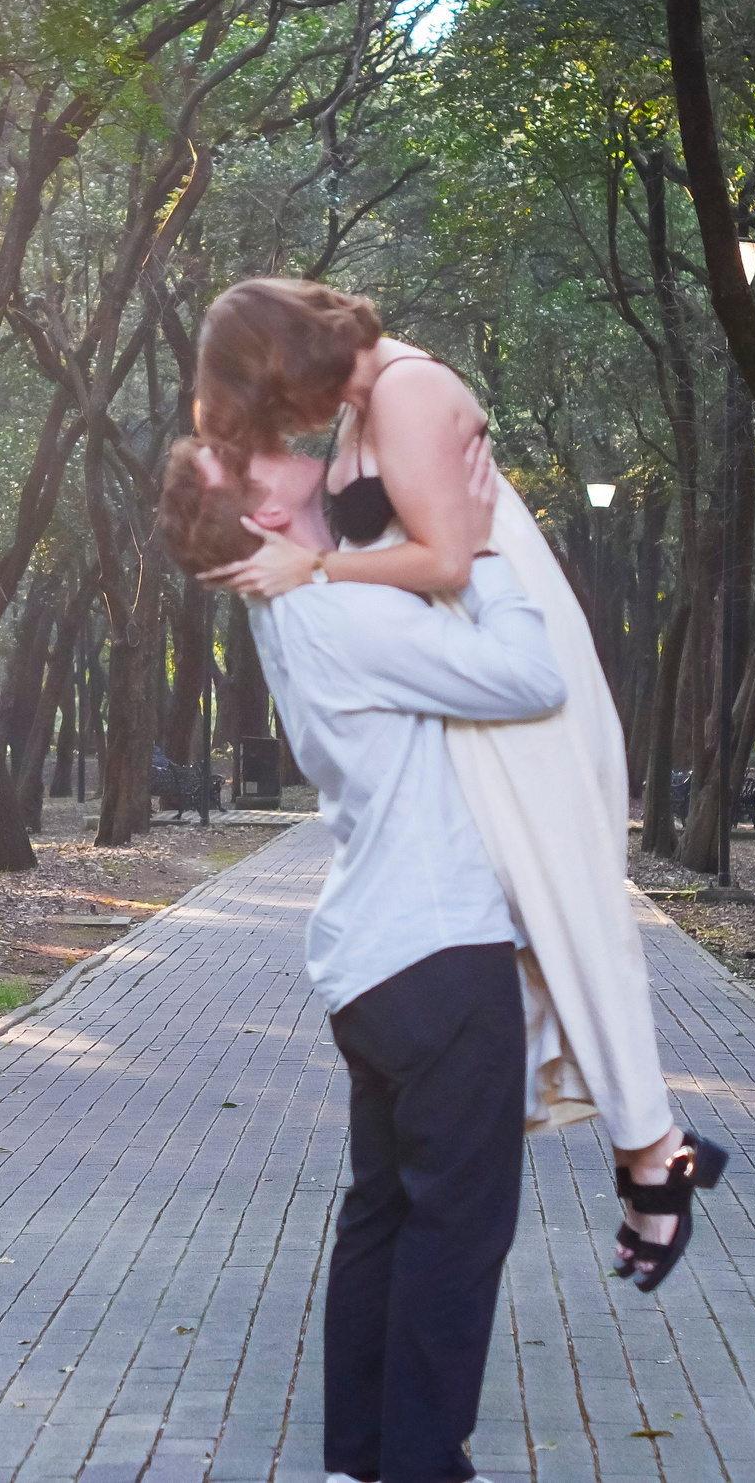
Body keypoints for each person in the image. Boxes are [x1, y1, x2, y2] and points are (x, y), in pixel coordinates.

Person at [191, 276, 722, 1289]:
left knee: (568, 915)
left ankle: (656, 1154)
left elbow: (447, 559)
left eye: (263, 393)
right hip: (474, 685)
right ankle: (649, 1155)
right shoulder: (364, 407)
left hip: (525, 687)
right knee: (530, 931)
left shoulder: (407, 387)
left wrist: (308, 574)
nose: (280, 424)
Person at [157, 431, 555, 1483]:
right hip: (437, 951)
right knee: (455, 1234)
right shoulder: (339, 609)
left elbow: (362, 523)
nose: (277, 442)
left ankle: (361, 1463)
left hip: (374, 964)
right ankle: (419, 1466)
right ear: (262, 517)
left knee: (385, 1215)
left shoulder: (290, 604)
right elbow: (529, 676)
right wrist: (488, 556)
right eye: (250, 455)